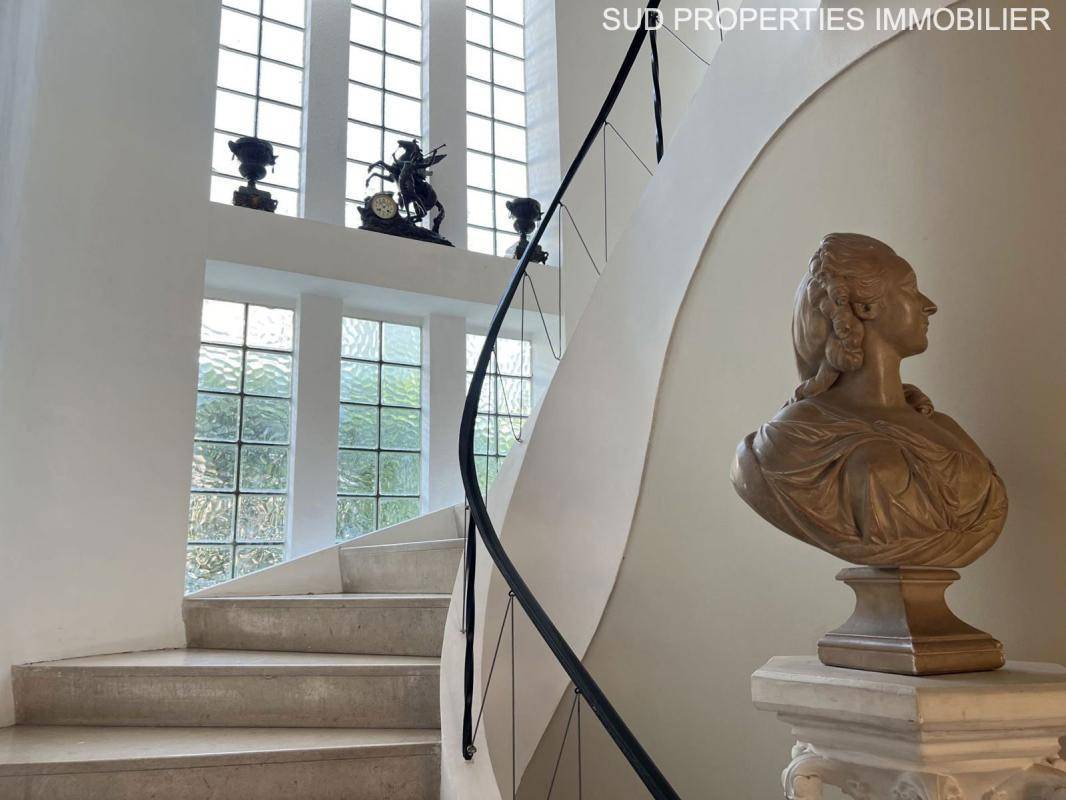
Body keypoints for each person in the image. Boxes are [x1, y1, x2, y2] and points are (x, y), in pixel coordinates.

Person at [731, 233, 1007, 567]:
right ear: (865, 307)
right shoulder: (791, 440)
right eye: (910, 289)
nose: (929, 304)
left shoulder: (944, 428)